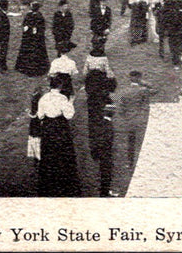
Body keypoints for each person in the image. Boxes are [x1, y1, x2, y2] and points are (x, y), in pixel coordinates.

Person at [36, 76, 81, 197]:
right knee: (63, 151)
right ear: (60, 86)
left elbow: (40, 115)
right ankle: (64, 179)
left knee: (48, 151)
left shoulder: (44, 98)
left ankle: (48, 179)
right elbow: (69, 115)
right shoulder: (62, 98)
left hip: (48, 126)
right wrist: (71, 102)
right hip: (60, 125)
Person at [84, 44, 117, 197]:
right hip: (101, 104)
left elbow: (85, 76)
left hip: (92, 104)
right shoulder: (104, 76)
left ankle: (94, 150)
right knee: (102, 125)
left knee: (92, 125)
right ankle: (101, 148)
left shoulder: (90, 76)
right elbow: (111, 80)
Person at [116, 71, 152, 168]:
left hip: (129, 120)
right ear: (139, 78)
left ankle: (129, 162)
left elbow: (119, 104)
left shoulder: (124, 91)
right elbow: (156, 90)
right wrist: (144, 83)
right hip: (142, 120)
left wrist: (124, 115)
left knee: (131, 141)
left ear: (130, 78)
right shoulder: (143, 90)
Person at [15, 2, 49, 77]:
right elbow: (25, 24)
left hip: (35, 39)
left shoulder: (38, 16)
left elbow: (41, 27)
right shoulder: (30, 15)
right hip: (30, 38)